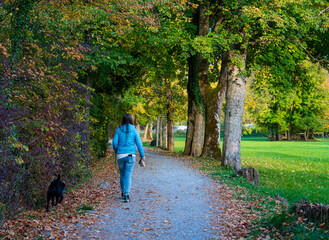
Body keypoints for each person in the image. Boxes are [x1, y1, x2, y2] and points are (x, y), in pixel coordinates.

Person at [112, 113, 145, 203]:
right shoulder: (134, 130)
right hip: (130, 155)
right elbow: (139, 143)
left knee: (122, 174)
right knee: (128, 175)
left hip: (120, 155)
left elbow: (114, 143)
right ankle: (127, 195)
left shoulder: (119, 130)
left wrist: (116, 149)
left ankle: (123, 192)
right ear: (131, 120)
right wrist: (142, 155)